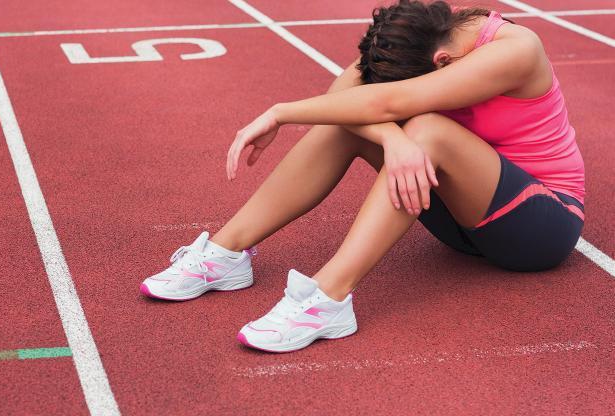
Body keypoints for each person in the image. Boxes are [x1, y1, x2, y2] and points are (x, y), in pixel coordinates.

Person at [140, 0, 585, 353]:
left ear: (443, 60)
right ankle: (225, 254)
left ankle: (329, 298)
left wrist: (281, 113)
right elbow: (342, 96)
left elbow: (387, 103)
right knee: (347, 125)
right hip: (462, 219)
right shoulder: (410, 35)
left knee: (427, 130)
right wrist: (392, 139)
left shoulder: (516, 49)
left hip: (539, 224)